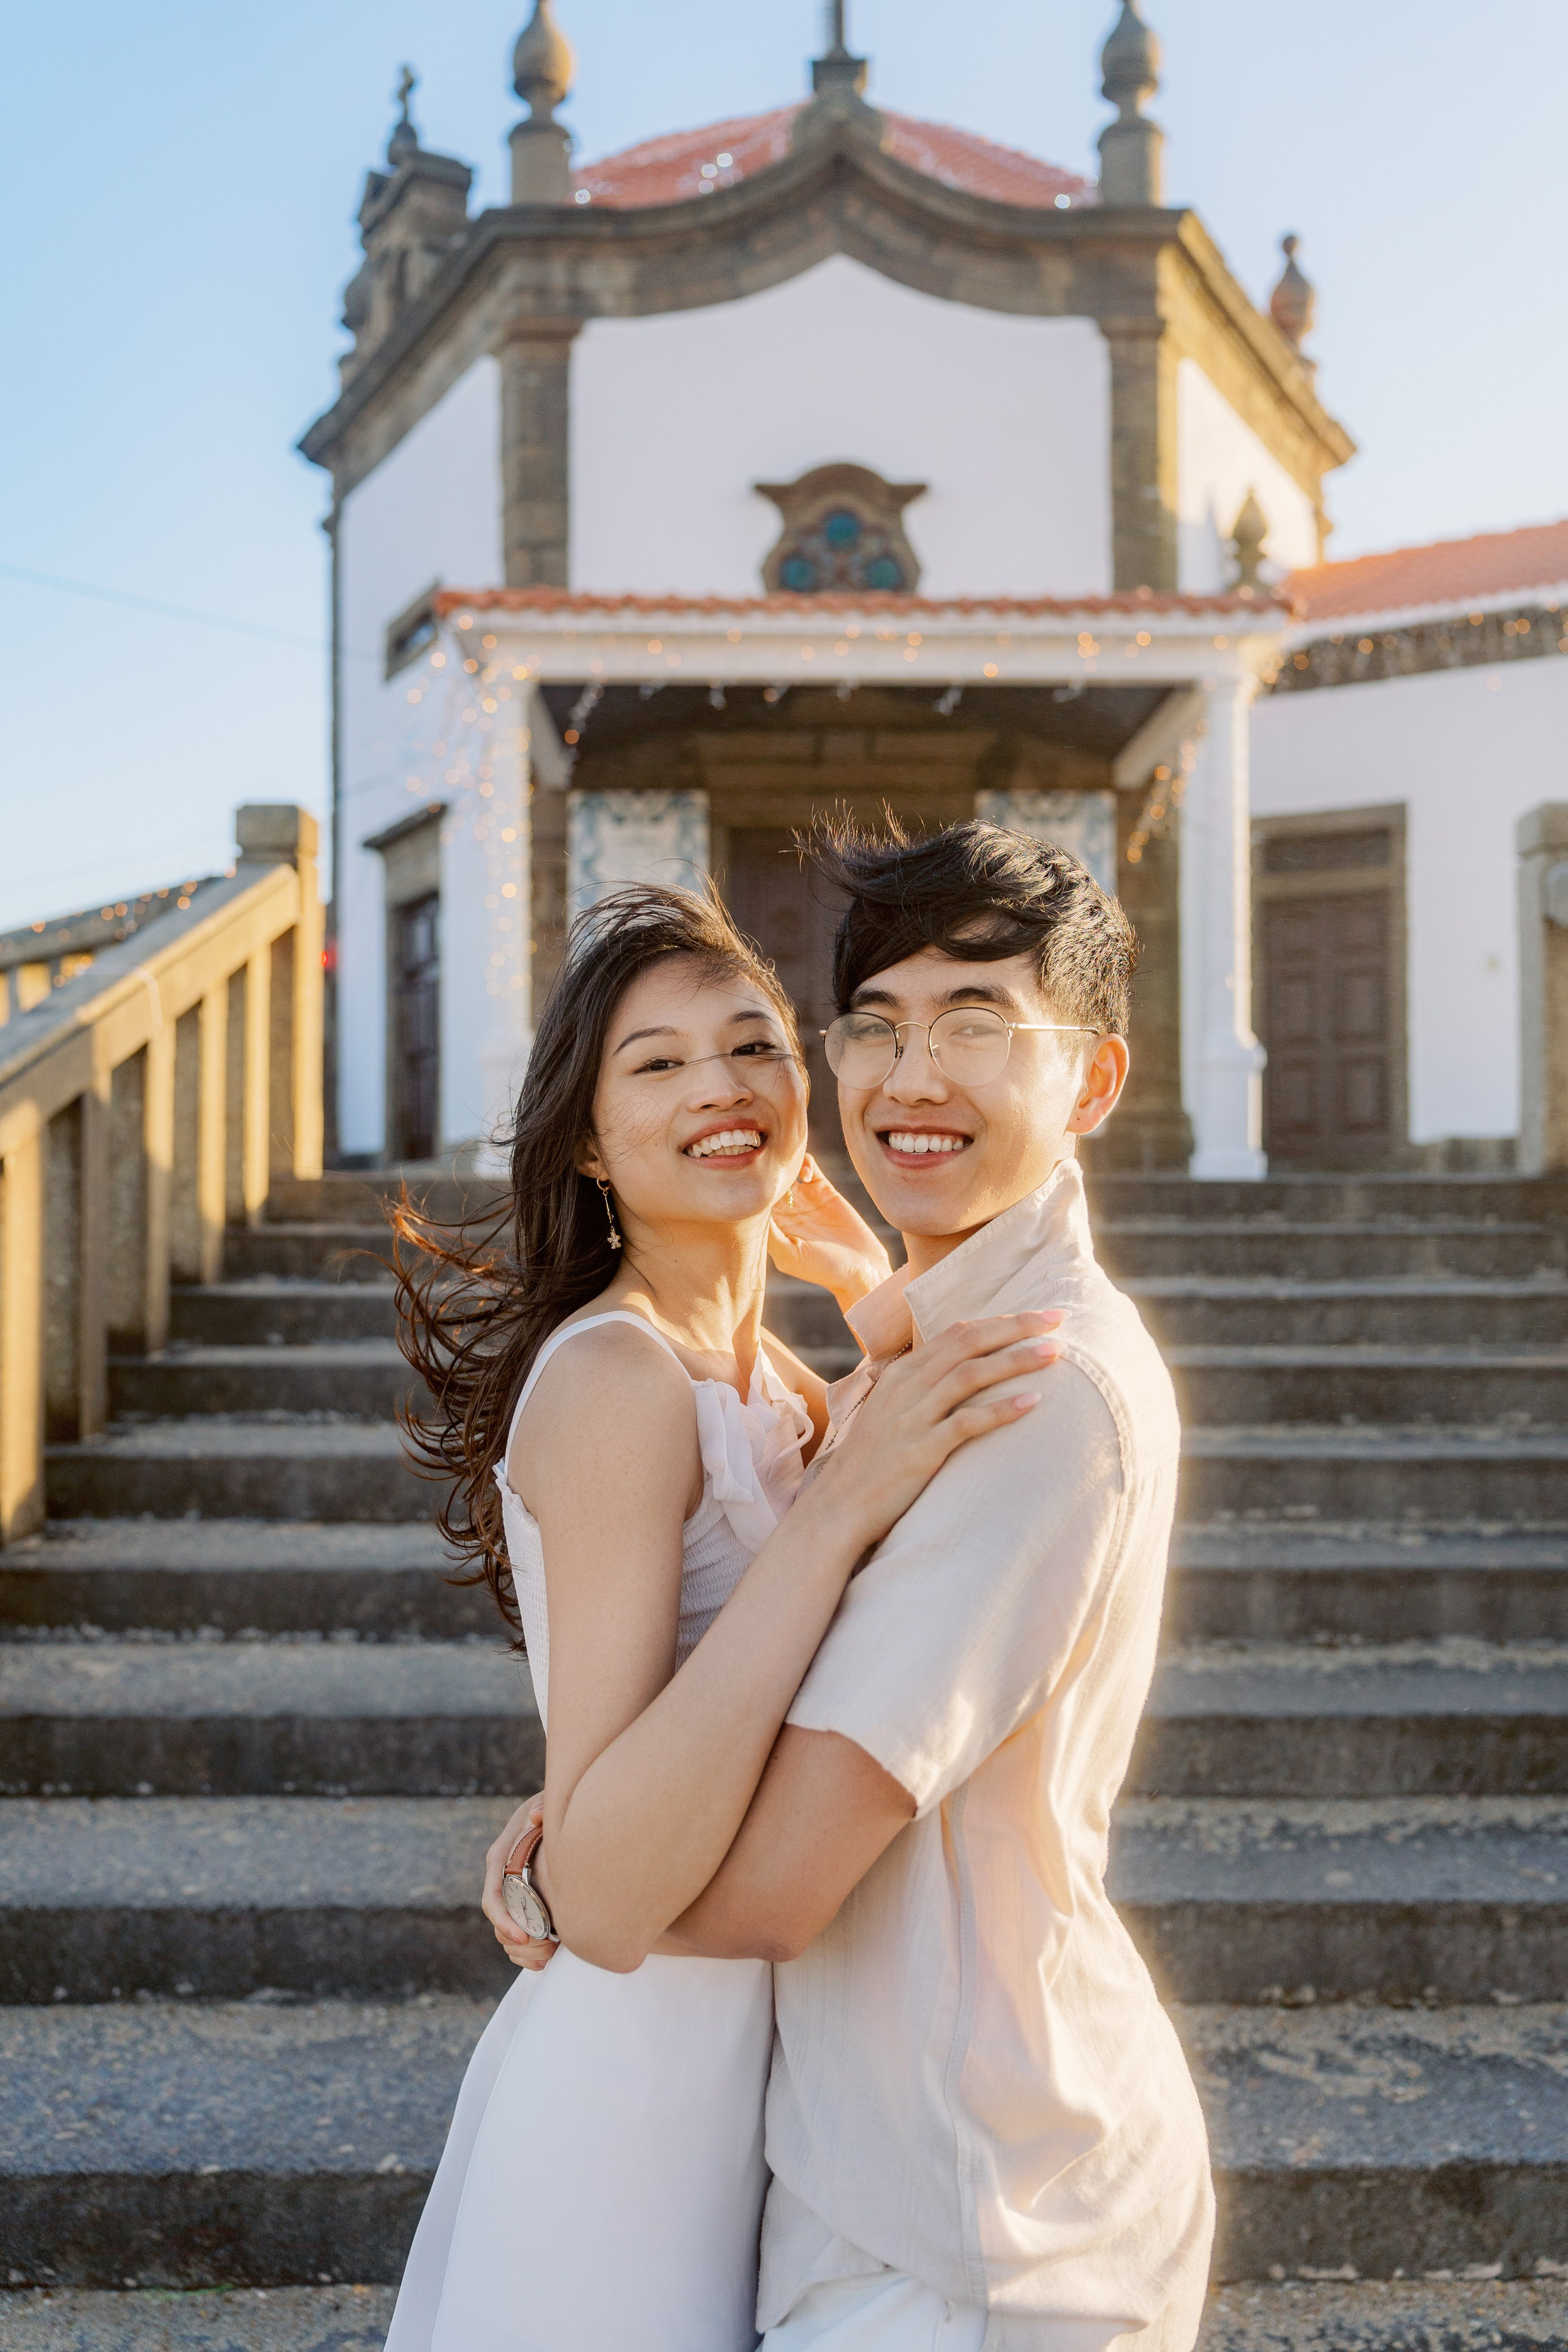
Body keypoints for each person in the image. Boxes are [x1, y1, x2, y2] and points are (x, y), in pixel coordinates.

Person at [506, 821, 1215, 2350]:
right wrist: (595, 1782)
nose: (911, 1079)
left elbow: (747, 1889)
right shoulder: (901, 1366)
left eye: (976, 1028)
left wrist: (574, 1855)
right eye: (877, 1030)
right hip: (843, 2162)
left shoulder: (1023, 1390)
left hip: (971, 2227)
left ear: (1090, 1081)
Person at [382, 881, 1062, 2352]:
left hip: (768, 2072)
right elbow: (611, 1901)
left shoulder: (777, 1389)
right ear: (583, 1140)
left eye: (753, 1046)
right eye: (658, 1064)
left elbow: (719, 1707)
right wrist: (583, 1809)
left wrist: (862, 1284)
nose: (722, 1088)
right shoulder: (620, 1381)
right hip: (632, 2092)